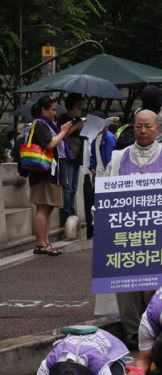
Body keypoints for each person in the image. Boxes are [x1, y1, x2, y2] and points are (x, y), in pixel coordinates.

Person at [101, 109, 162, 348]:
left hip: (159, 236)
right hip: (125, 236)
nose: (143, 131)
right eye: (139, 126)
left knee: (157, 286)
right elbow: (105, 192)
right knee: (126, 288)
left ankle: (152, 335)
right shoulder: (119, 158)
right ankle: (132, 336)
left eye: (148, 126)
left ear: (156, 129)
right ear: (133, 127)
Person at [26, 96, 73, 256]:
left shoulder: (47, 124)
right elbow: (50, 143)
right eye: (52, 109)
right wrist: (64, 131)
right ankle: (40, 243)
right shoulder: (40, 124)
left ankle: (45, 242)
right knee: (43, 206)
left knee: (48, 206)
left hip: (51, 171)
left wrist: (67, 130)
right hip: (43, 171)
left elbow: (57, 140)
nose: (54, 113)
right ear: (43, 110)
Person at [85, 116, 118, 238]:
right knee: (99, 204)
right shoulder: (97, 138)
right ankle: (101, 230)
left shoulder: (109, 137)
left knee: (106, 204)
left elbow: (110, 160)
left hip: (107, 176)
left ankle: (106, 230)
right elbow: (93, 155)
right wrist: (92, 167)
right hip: (98, 175)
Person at [57, 93, 85, 223]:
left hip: (77, 155)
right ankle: (66, 213)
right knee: (67, 188)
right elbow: (62, 134)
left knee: (74, 188)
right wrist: (76, 126)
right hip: (67, 155)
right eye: (79, 103)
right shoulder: (63, 117)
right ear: (73, 103)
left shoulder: (78, 118)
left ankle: (72, 211)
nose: (81, 105)